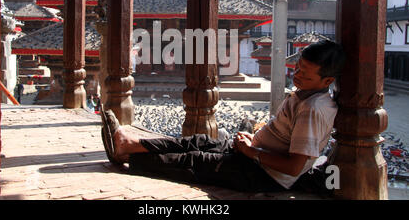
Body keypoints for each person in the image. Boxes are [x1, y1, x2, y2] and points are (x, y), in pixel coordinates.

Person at [102, 40, 346, 193]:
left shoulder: (314, 109)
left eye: (306, 74)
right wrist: (252, 140)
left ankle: (128, 157)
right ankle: (130, 144)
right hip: (253, 153)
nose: (297, 75)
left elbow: (294, 167)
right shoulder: (303, 94)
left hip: (264, 175)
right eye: (298, 68)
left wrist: (253, 152)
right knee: (197, 142)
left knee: (196, 161)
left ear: (327, 81)